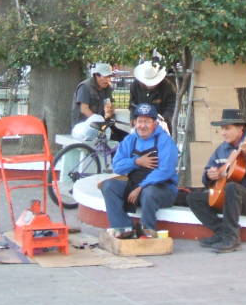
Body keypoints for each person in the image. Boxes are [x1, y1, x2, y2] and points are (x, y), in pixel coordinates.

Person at [187, 109, 246, 253]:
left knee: (232, 187)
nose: (223, 133)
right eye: (222, 129)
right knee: (193, 198)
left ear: (240, 128)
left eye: (227, 128)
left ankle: (232, 238)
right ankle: (222, 232)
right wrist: (209, 176)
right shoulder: (222, 149)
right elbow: (208, 176)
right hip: (230, 199)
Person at [100, 103, 179, 238]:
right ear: (134, 123)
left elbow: (165, 170)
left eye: (147, 121)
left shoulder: (165, 141)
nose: (143, 126)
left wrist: (141, 187)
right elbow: (117, 166)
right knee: (108, 186)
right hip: (134, 184)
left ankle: (147, 233)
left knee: (149, 193)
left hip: (162, 188)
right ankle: (123, 229)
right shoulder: (130, 140)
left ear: (155, 123)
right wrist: (136, 162)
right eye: (139, 121)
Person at [71, 62, 127, 141]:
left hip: (103, 126)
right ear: (96, 75)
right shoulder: (85, 87)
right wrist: (99, 121)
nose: (108, 80)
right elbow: (84, 109)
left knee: (127, 138)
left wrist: (110, 111)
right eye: (106, 77)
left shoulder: (108, 88)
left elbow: (111, 104)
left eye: (109, 77)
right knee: (115, 141)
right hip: (84, 127)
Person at [129, 60, 176, 127]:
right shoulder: (134, 86)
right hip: (140, 125)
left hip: (161, 125)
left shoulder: (167, 86)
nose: (150, 85)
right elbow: (132, 105)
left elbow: (171, 106)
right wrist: (133, 119)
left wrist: (163, 119)